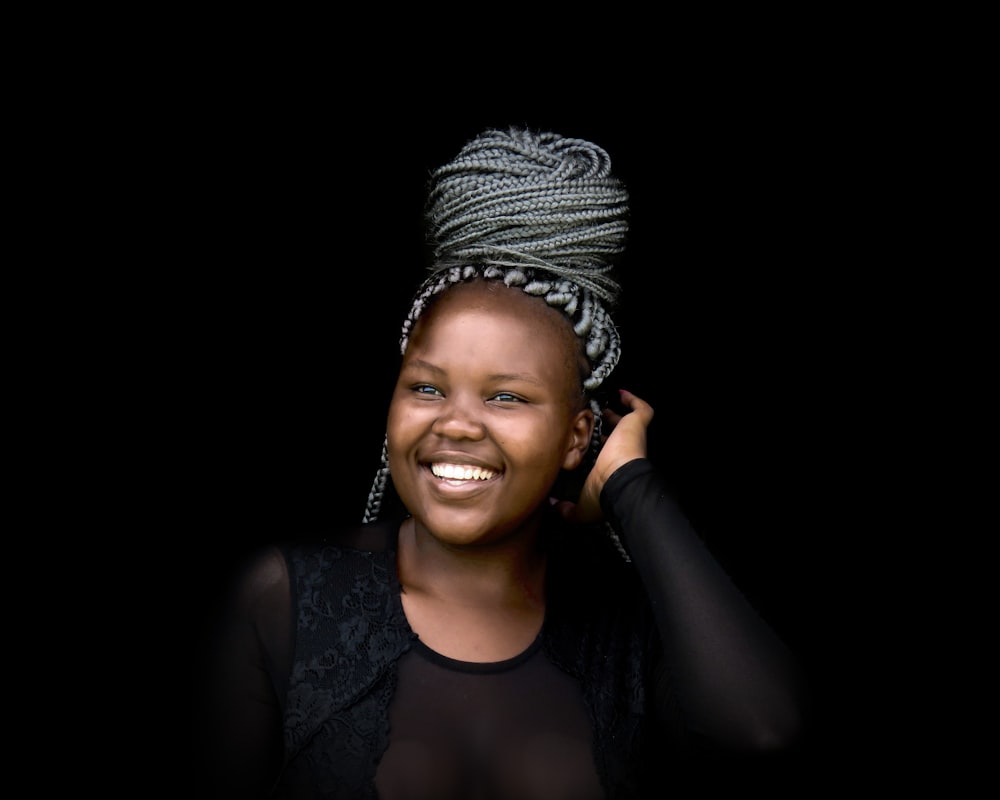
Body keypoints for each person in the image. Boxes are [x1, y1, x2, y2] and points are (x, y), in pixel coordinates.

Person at [194, 126, 808, 799]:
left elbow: (760, 732)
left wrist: (632, 487)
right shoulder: (285, 599)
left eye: (507, 396)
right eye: (426, 387)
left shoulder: (636, 628)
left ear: (579, 435)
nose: (455, 422)